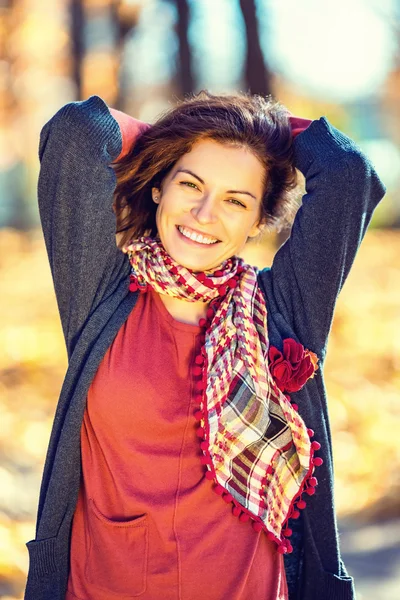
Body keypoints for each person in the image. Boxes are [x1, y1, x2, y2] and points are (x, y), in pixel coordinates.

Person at [24, 89, 386, 600]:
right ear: (159, 190)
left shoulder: (282, 310)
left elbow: (348, 173)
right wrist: (168, 137)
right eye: (189, 183)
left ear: (258, 221)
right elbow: (77, 134)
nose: (203, 213)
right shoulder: (101, 294)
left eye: (236, 200)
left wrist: (268, 130)